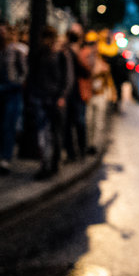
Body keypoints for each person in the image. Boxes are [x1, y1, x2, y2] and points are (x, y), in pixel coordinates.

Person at [26, 25, 72, 179]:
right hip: (41, 98)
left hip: (54, 99)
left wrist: (62, 97)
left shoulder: (60, 55)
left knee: (54, 133)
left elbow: (67, 78)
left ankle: (54, 163)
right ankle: (45, 164)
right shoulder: (40, 55)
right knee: (43, 134)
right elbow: (33, 75)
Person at [0, 20, 28, 174]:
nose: (2, 33)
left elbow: (24, 72)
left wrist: (16, 83)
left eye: (4, 31)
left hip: (12, 91)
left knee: (7, 125)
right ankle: (2, 155)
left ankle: (6, 159)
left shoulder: (16, 50)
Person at [63, 24, 90, 162]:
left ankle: (82, 151)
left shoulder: (83, 51)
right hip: (68, 92)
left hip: (79, 92)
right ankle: (71, 153)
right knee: (67, 124)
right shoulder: (66, 51)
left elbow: (87, 71)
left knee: (79, 122)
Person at [85, 33, 115, 155]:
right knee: (89, 121)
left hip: (100, 94)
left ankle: (94, 146)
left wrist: (112, 92)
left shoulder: (103, 59)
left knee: (98, 122)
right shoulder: (87, 58)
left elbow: (108, 79)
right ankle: (88, 144)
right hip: (89, 93)